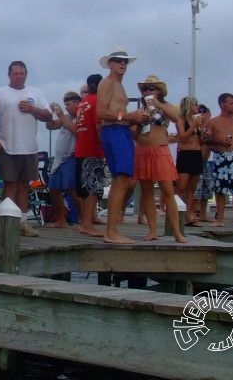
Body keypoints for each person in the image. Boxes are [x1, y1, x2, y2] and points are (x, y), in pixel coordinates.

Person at [0, 61, 52, 237]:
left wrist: (33, 109)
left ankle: (23, 222)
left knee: (25, 184)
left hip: (29, 147)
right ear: (9, 75)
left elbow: (48, 115)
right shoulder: (0, 93)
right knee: (9, 184)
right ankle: (7, 221)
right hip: (8, 146)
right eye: (15, 73)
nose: (19, 76)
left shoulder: (36, 93)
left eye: (22, 73)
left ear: (26, 74)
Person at [96, 47, 150, 244]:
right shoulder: (107, 82)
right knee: (121, 179)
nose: (122, 64)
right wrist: (127, 116)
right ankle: (111, 231)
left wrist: (137, 119)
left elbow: (119, 113)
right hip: (114, 131)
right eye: (118, 60)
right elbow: (101, 112)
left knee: (125, 179)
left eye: (125, 61)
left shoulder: (119, 85)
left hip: (122, 131)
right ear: (110, 63)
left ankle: (113, 228)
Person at [133, 76, 187, 243]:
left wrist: (158, 105)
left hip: (161, 151)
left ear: (158, 91)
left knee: (168, 191)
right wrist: (134, 121)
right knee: (147, 192)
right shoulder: (140, 109)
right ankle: (153, 231)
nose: (148, 91)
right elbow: (135, 134)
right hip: (143, 150)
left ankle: (177, 232)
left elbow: (177, 118)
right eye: (145, 89)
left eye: (151, 88)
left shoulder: (166, 107)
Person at [203, 93, 233, 228]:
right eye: (231, 103)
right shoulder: (212, 122)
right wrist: (219, 140)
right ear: (222, 104)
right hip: (219, 157)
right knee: (219, 190)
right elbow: (205, 139)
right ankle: (220, 219)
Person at [74, 74, 105, 237]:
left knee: (85, 189)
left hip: (80, 149)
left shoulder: (83, 103)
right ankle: (87, 224)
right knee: (94, 188)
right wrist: (105, 148)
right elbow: (99, 126)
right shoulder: (97, 102)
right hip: (93, 149)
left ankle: (84, 223)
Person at [44, 91, 81, 228]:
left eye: (69, 104)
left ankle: (83, 220)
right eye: (65, 105)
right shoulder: (65, 116)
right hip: (59, 158)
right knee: (53, 188)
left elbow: (77, 130)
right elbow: (51, 126)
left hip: (71, 156)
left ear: (77, 103)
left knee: (72, 189)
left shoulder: (80, 116)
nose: (66, 107)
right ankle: (61, 219)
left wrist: (62, 117)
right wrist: (50, 114)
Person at [175, 96, 209, 226]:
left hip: (196, 154)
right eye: (195, 105)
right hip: (185, 154)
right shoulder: (181, 120)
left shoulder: (198, 122)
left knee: (192, 189)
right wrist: (193, 125)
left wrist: (202, 129)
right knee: (181, 187)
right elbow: (182, 137)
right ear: (189, 106)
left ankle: (189, 215)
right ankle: (177, 212)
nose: (197, 107)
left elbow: (201, 141)